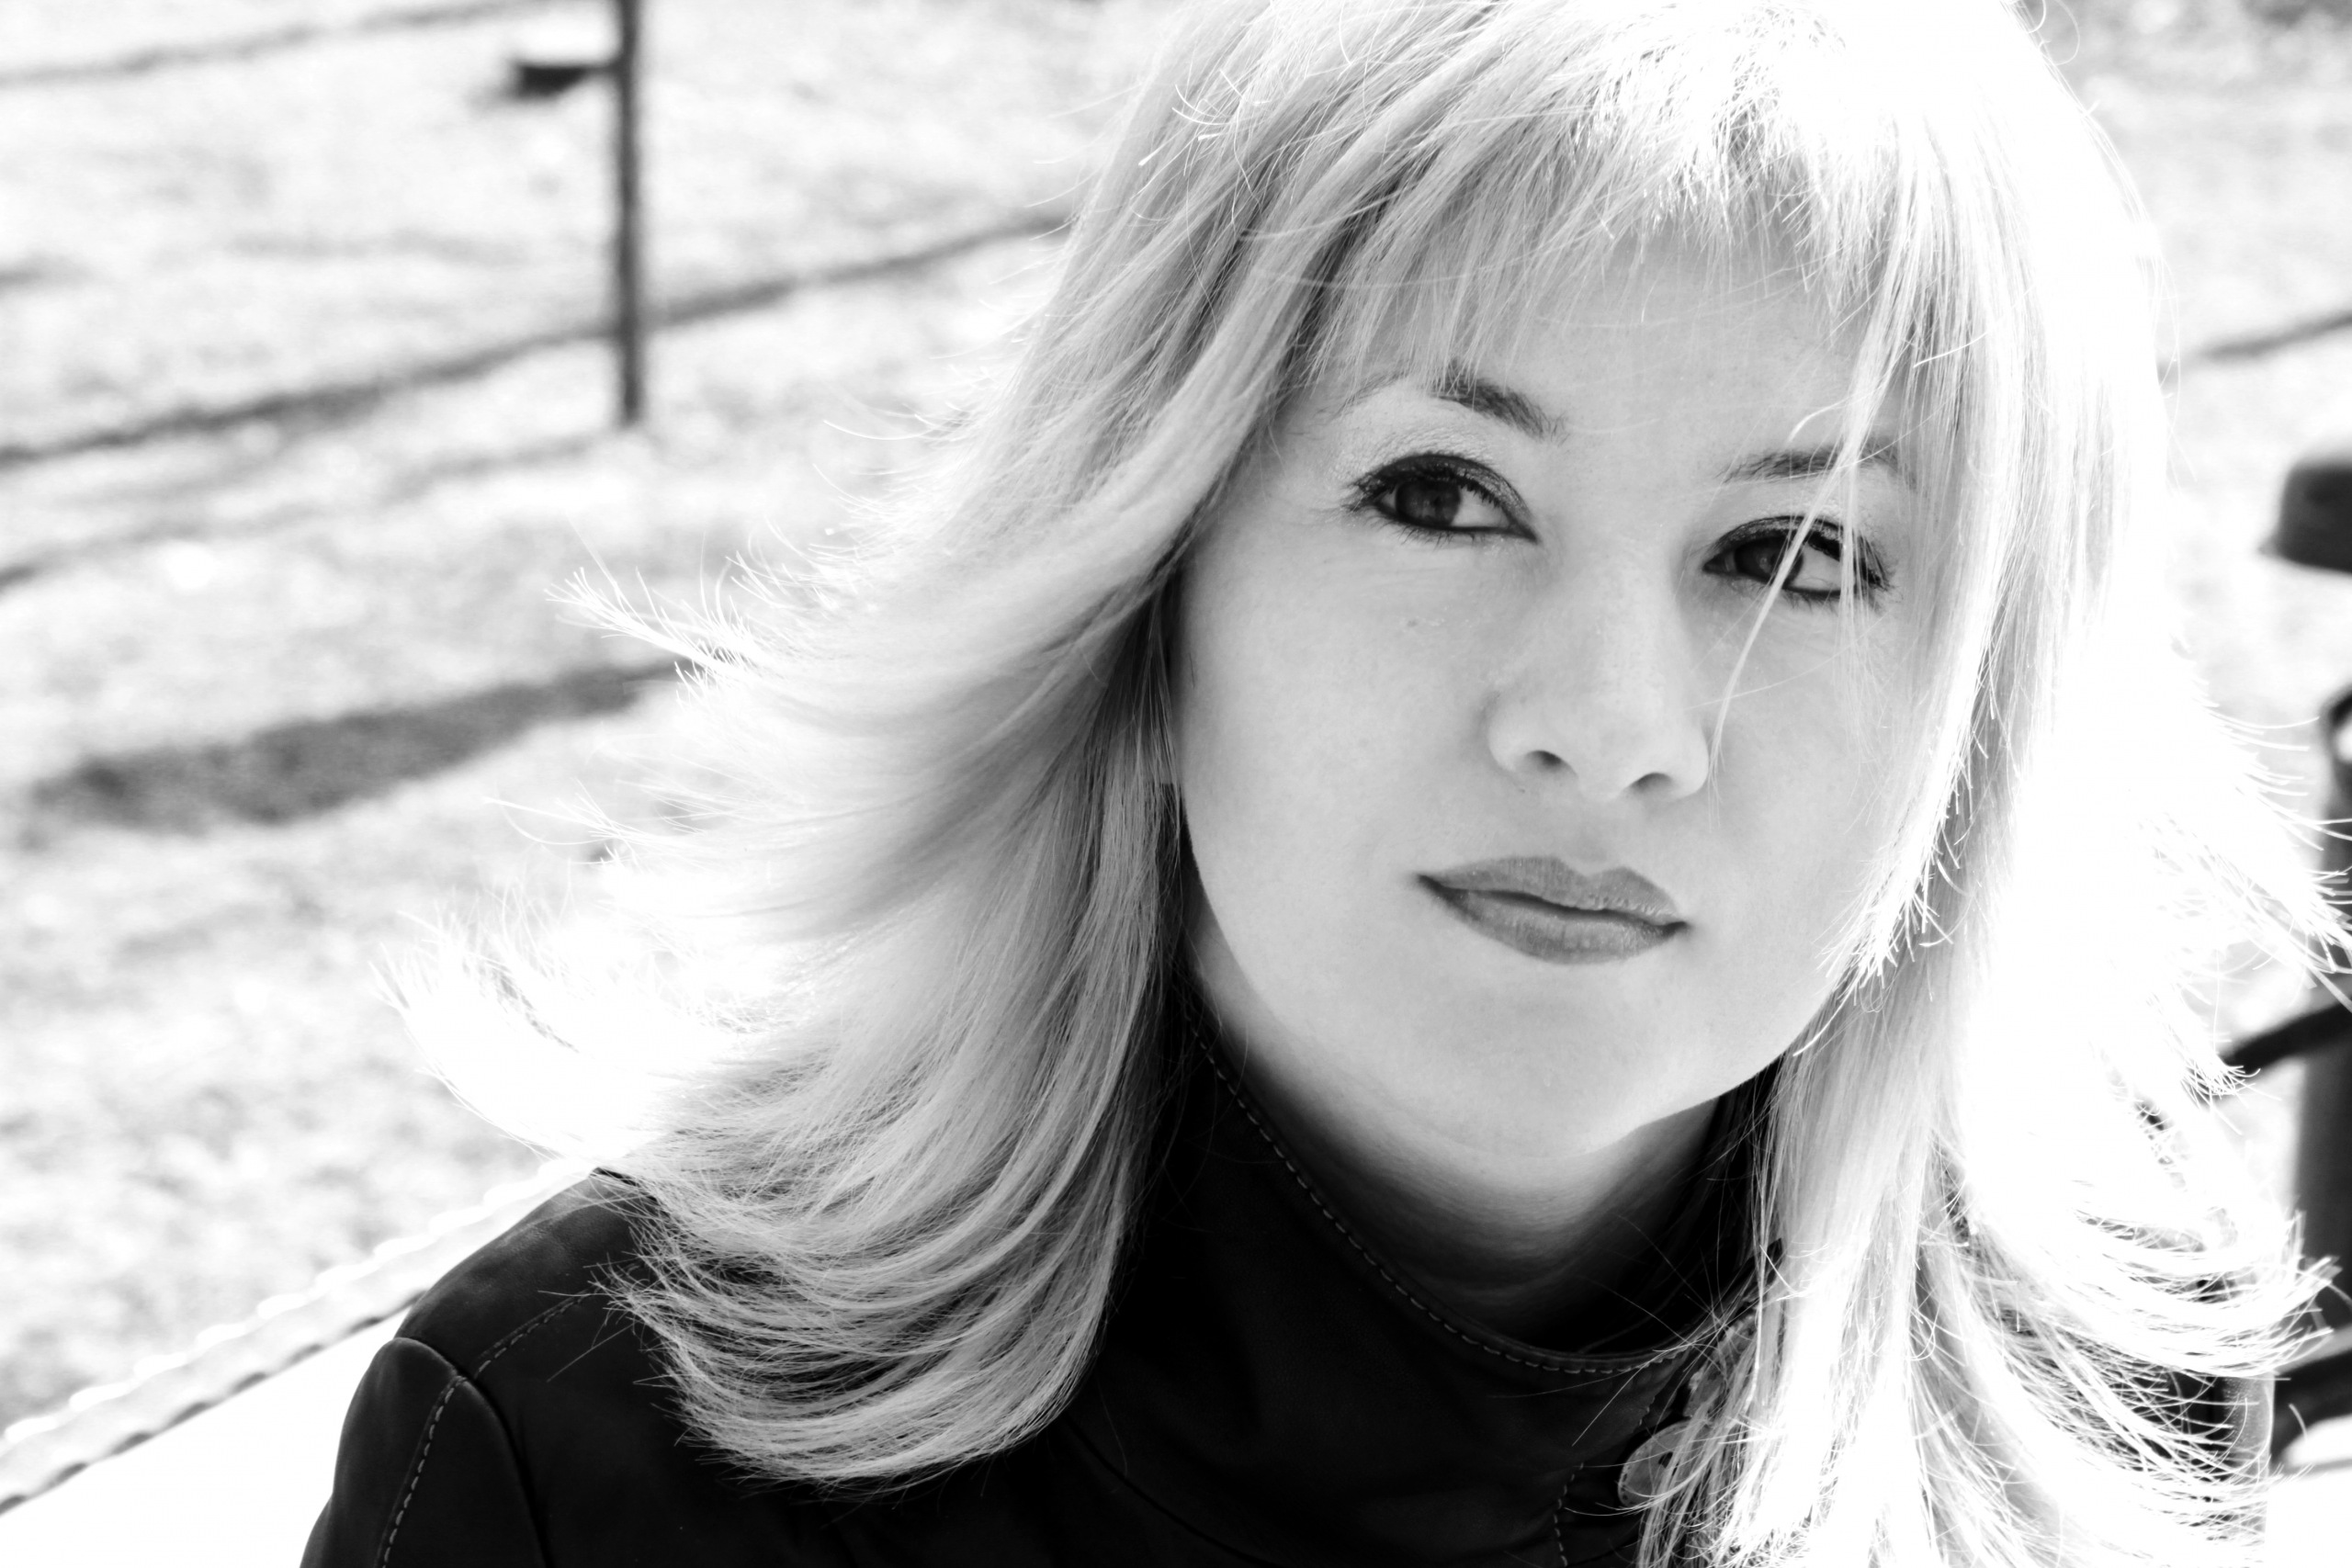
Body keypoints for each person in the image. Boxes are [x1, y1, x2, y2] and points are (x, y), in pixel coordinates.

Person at [304, 0, 2335, 1563]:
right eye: (1442, 494)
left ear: (1980, 708)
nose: (1614, 721)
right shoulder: (599, 1455)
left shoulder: (2097, 1371)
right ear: (1147, 573)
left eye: (1795, 552)